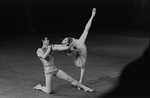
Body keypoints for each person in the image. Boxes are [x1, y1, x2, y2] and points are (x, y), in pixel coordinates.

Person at [61, 8, 96, 88]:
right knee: (82, 66)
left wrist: (92, 16)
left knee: (86, 29)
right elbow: (75, 51)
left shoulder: (70, 42)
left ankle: (80, 81)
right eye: (64, 40)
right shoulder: (69, 46)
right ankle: (80, 81)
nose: (64, 40)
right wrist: (74, 50)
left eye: (65, 40)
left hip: (78, 45)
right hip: (79, 48)